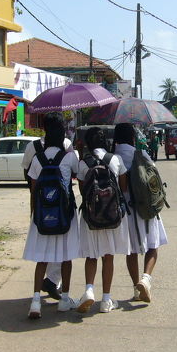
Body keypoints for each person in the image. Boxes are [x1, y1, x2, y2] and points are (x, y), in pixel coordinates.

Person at [23, 118, 80, 319]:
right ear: (62, 136)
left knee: (42, 259)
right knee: (66, 258)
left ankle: (35, 301)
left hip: (43, 216)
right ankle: (64, 299)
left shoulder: (37, 158)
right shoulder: (69, 157)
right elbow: (76, 176)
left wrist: (34, 215)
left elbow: (33, 189)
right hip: (65, 214)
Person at [76, 127, 130, 314]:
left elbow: (83, 190)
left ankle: (89, 290)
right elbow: (123, 189)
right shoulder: (116, 160)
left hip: (91, 217)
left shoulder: (84, 163)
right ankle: (106, 300)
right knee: (108, 257)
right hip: (112, 216)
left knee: (92, 256)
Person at [112, 123, 168, 303]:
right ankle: (146, 279)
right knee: (153, 246)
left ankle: (136, 287)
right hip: (146, 208)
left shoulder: (113, 157)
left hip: (126, 211)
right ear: (132, 137)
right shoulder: (141, 154)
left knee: (131, 251)